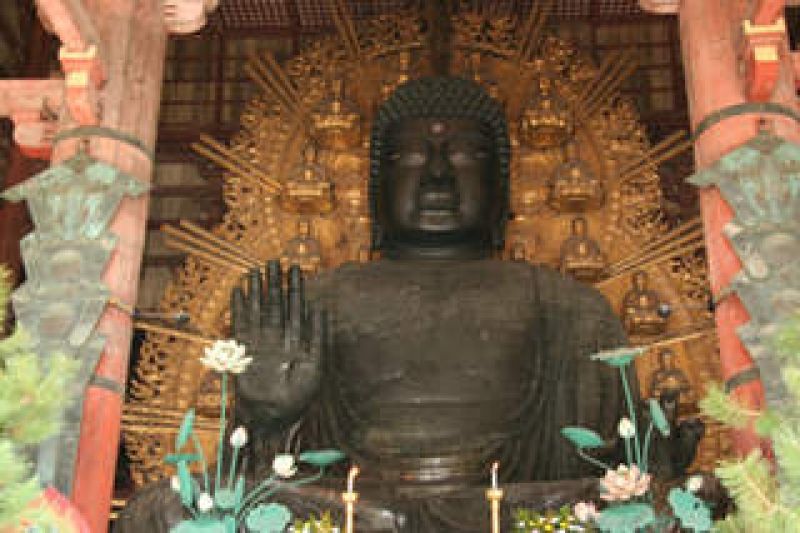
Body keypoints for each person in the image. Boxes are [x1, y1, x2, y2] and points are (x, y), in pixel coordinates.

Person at [117, 77, 634, 532]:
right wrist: (270, 418)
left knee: (673, 500)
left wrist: (652, 459)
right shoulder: (315, 300)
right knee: (160, 510)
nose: (437, 175)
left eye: (465, 156)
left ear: (502, 186)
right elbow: (251, 478)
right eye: (410, 156)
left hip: (513, 512)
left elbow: (607, 468)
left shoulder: (571, 308)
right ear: (373, 190)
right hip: (352, 514)